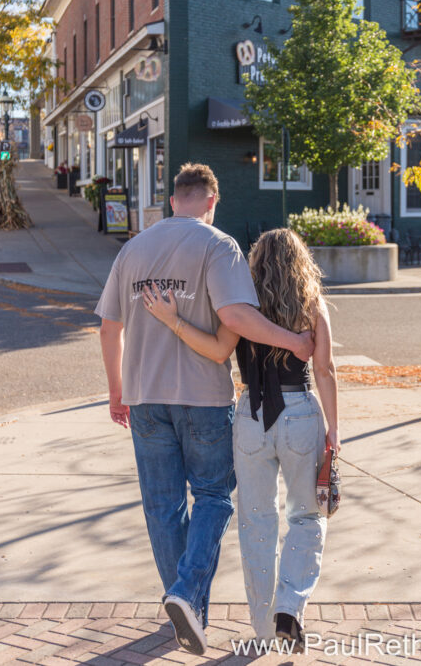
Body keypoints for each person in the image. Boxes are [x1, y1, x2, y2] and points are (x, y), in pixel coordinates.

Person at [96, 164, 314, 657]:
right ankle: (186, 595)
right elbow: (236, 316)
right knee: (214, 495)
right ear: (213, 202)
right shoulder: (219, 246)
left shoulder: (132, 249)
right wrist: (293, 341)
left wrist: (116, 390)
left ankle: (186, 606)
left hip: (144, 395)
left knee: (161, 505)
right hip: (203, 398)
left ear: (174, 200)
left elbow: (109, 328)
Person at [142, 227, 340, 651]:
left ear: (254, 263)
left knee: (256, 522)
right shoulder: (311, 303)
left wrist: (172, 319)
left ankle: (265, 629)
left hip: (250, 418)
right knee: (307, 517)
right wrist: (334, 430)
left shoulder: (241, 305)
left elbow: (216, 350)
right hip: (301, 413)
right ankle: (289, 605)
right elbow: (324, 370)